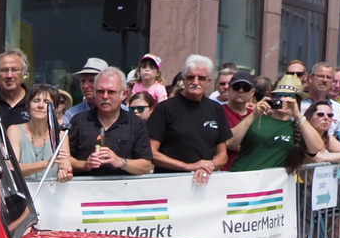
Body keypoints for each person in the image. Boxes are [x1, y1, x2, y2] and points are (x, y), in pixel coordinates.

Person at [146, 55, 230, 184]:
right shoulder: (165, 108)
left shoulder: (216, 109)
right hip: (168, 183)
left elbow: (223, 155)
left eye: (201, 78)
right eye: (191, 77)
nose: (195, 82)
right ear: (184, 80)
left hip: (204, 184)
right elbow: (151, 152)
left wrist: (209, 166)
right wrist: (188, 167)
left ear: (209, 81)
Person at [66, 67, 153, 176]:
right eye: (100, 92)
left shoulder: (136, 124)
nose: (105, 96)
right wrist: (85, 165)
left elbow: (146, 166)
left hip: (124, 190)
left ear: (124, 94)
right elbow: (65, 160)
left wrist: (120, 162)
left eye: (111, 92)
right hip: (85, 190)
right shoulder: (78, 121)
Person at [7, 85, 71, 183]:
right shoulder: (15, 130)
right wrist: (46, 164)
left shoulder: (61, 136)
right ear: (28, 106)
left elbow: (65, 166)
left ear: (55, 109)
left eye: (47, 102)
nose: (40, 105)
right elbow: (11, 168)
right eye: (36, 101)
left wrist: (65, 173)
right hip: (22, 193)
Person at [0, 50, 31, 131]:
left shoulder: (35, 102)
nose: (9, 75)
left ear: (23, 72)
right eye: (4, 70)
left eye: (15, 70)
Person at [63, 58, 109, 125]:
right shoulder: (72, 114)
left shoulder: (122, 111)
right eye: (83, 81)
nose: (86, 86)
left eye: (91, 81)